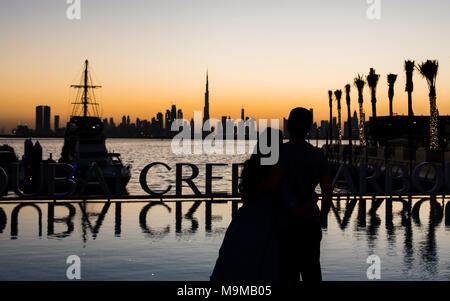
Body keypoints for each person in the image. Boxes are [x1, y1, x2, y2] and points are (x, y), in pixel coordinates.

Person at [257, 107, 332, 281]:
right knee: (312, 273)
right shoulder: (318, 154)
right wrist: (321, 217)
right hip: (310, 223)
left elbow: (271, 184)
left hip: (286, 224)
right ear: (308, 128)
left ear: (288, 126)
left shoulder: (281, 153)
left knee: (286, 274)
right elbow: (328, 193)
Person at [210, 128, 283, 281]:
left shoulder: (251, 165)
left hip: (245, 218)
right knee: (262, 265)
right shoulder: (276, 168)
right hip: (265, 222)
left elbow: (246, 192)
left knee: (236, 262)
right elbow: (268, 189)